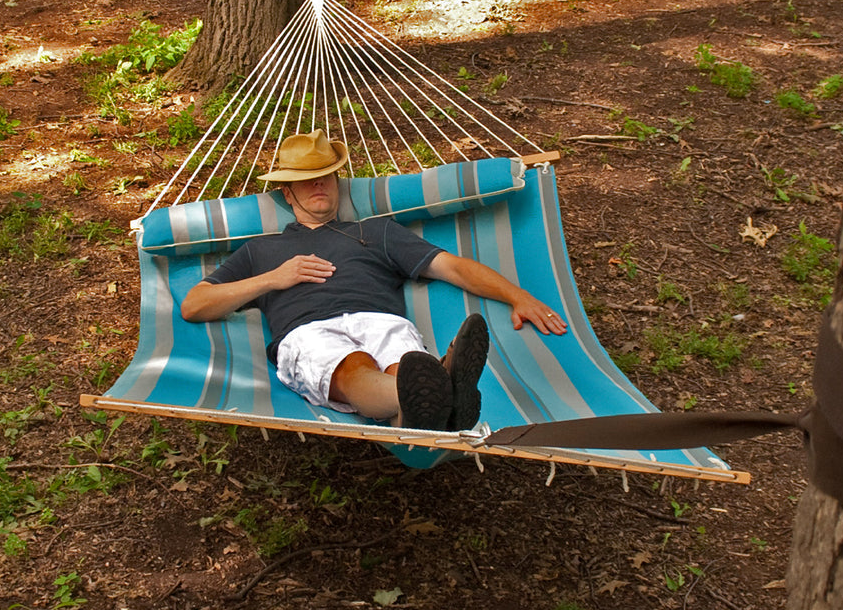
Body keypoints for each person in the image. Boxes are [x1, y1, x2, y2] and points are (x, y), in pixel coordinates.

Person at [181, 130, 567, 431]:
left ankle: (428, 402)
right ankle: (446, 389)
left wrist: (517, 296)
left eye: (326, 177)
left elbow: (452, 267)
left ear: (338, 182)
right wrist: (272, 279)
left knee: (407, 366)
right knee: (353, 366)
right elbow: (195, 304)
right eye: (307, 179)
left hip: (382, 320)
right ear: (286, 192)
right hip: (308, 331)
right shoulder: (260, 250)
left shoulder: (378, 232)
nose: (319, 185)